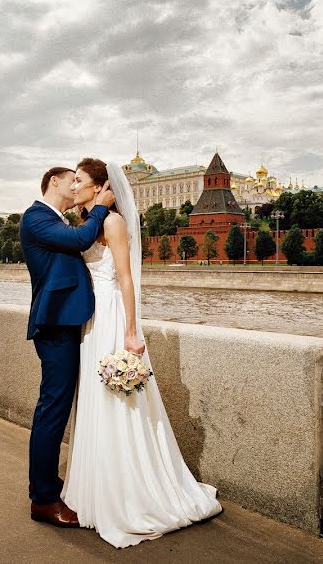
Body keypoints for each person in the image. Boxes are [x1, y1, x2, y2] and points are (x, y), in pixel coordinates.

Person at [62, 158, 222, 548]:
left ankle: (130, 494)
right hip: (91, 320)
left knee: (117, 399)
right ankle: (97, 489)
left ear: (101, 187)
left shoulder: (112, 223)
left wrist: (132, 331)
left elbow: (126, 278)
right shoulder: (85, 225)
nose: (73, 186)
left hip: (112, 316)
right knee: (96, 399)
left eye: (80, 181)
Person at [19, 166, 115, 528]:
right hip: (55, 324)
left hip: (65, 321)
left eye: (81, 181)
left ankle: (43, 481)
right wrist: (102, 206)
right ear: (54, 183)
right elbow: (78, 241)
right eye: (71, 180)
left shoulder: (54, 219)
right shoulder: (37, 216)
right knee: (53, 408)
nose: (75, 185)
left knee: (56, 405)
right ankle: (43, 500)